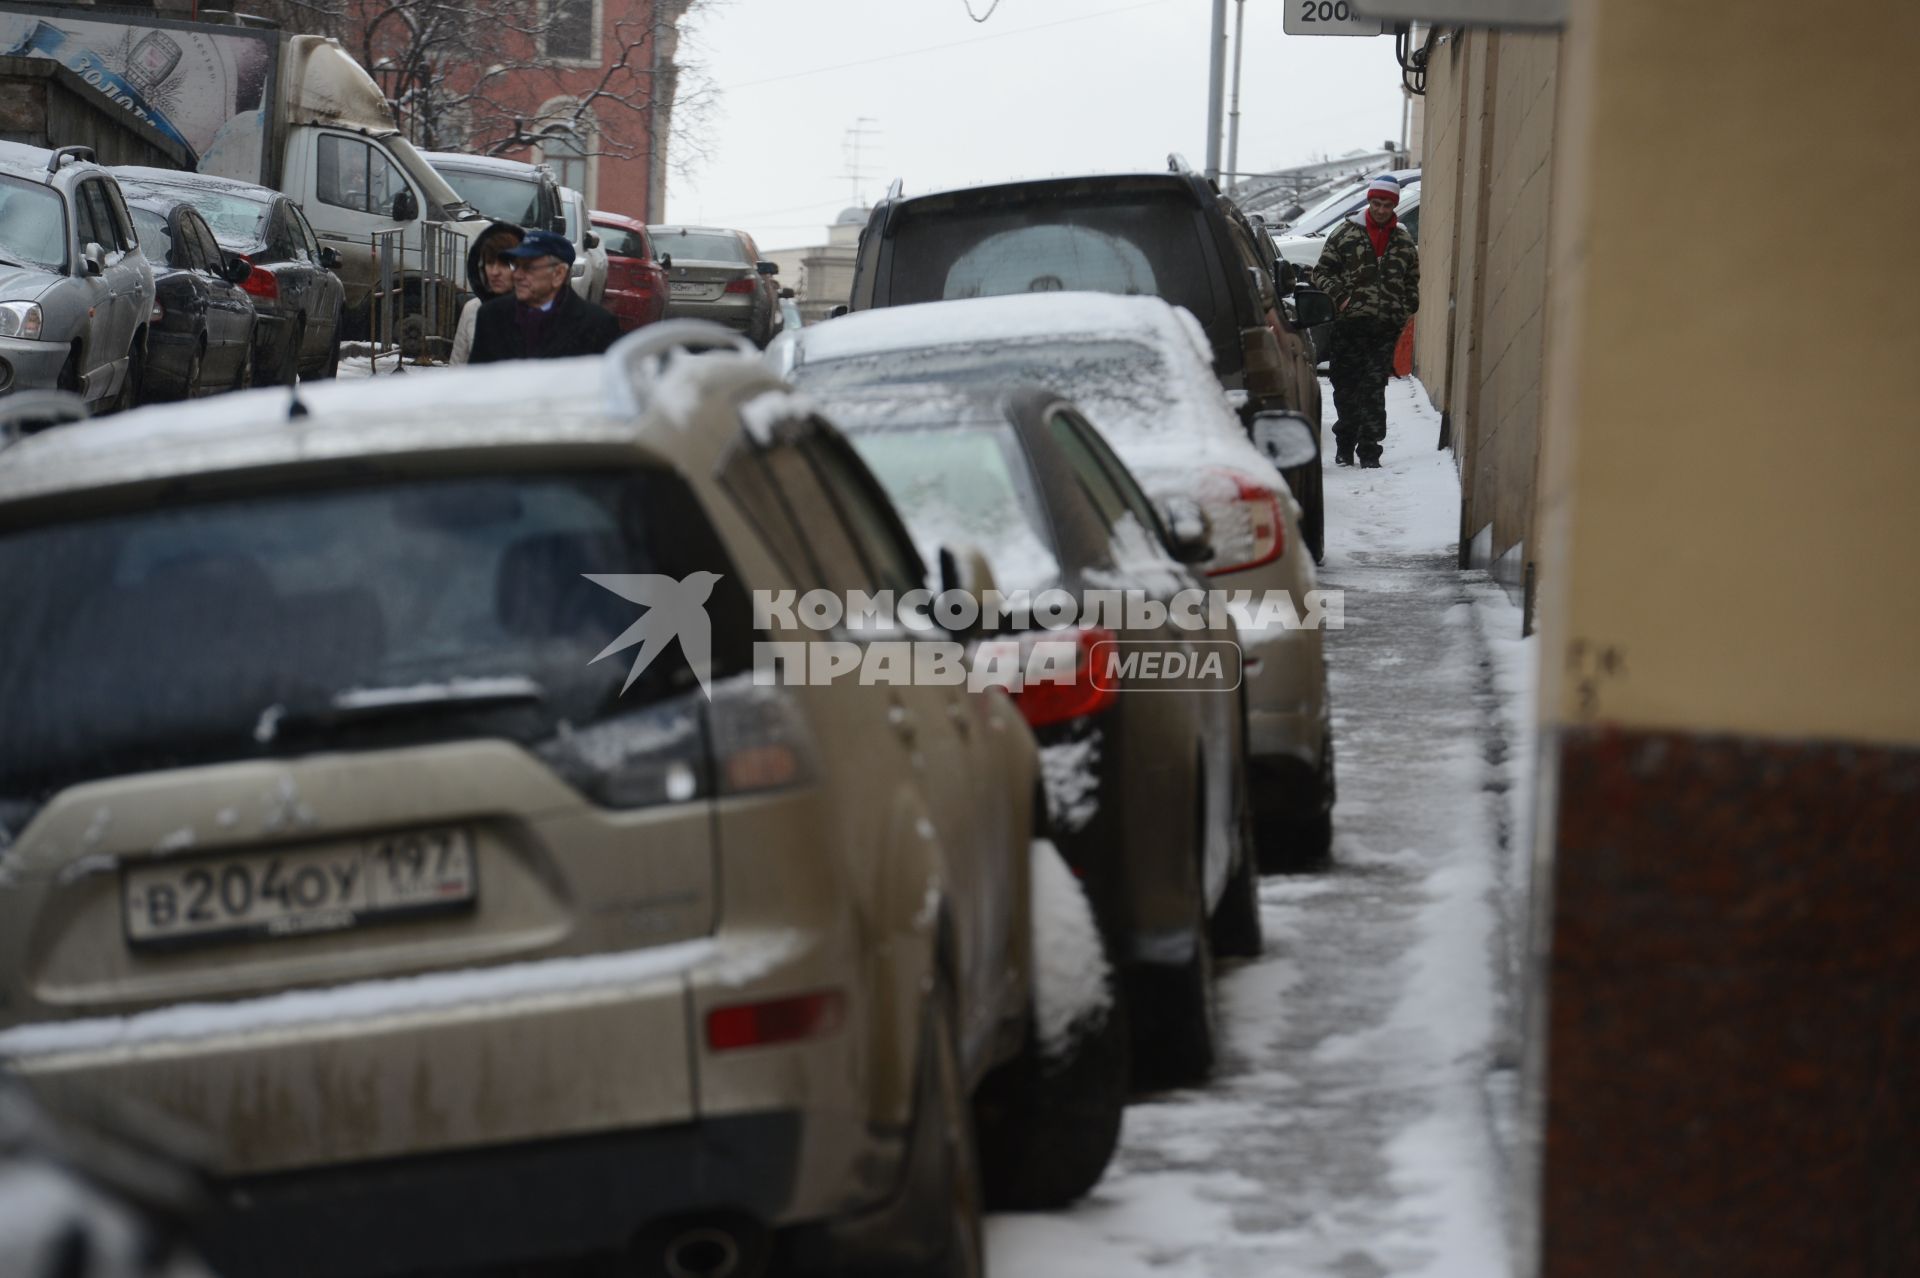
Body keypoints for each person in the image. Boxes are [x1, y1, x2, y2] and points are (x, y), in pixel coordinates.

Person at [1312, 174, 1420, 469]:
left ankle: (1370, 449)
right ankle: (1345, 444)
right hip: (1349, 327)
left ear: (1394, 206)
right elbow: (1321, 273)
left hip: (1384, 328)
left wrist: (1405, 306)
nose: (1381, 209)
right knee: (1346, 386)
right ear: (1369, 202)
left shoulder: (1402, 240)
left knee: (1373, 388)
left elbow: (1412, 277)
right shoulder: (1345, 234)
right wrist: (1343, 299)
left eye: (1387, 204)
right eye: (1376, 203)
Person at [468, 229, 622, 365]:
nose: (518, 275)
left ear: (558, 274)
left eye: (528, 267)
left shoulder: (597, 324)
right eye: (516, 265)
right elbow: (477, 382)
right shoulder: (491, 316)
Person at [448, 221, 522, 366]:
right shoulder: (472, 309)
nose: (495, 272)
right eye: (489, 263)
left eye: (504, 265)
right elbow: (457, 367)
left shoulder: (534, 311)